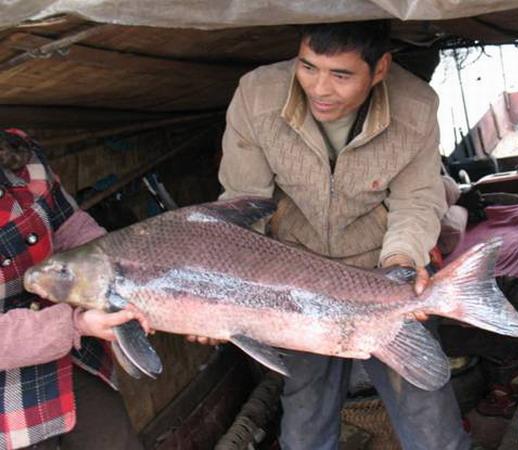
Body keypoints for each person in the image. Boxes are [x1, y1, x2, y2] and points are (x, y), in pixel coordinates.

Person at [196, 21, 470, 449]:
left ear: (379, 69)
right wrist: (222, 295)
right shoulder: (256, 94)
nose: (320, 89)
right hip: (293, 279)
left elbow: (417, 199)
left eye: (341, 75)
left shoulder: (415, 106)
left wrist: (401, 262)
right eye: (308, 67)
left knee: (427, 411)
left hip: (377, 268)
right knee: (305, 418)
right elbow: (244, 203)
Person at [0, 129, 147, 450]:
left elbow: (72, 228)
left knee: (114, 439)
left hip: (71, 354)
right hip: (10, 383)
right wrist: (74, 324)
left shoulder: (21, 157)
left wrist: (123, 276)